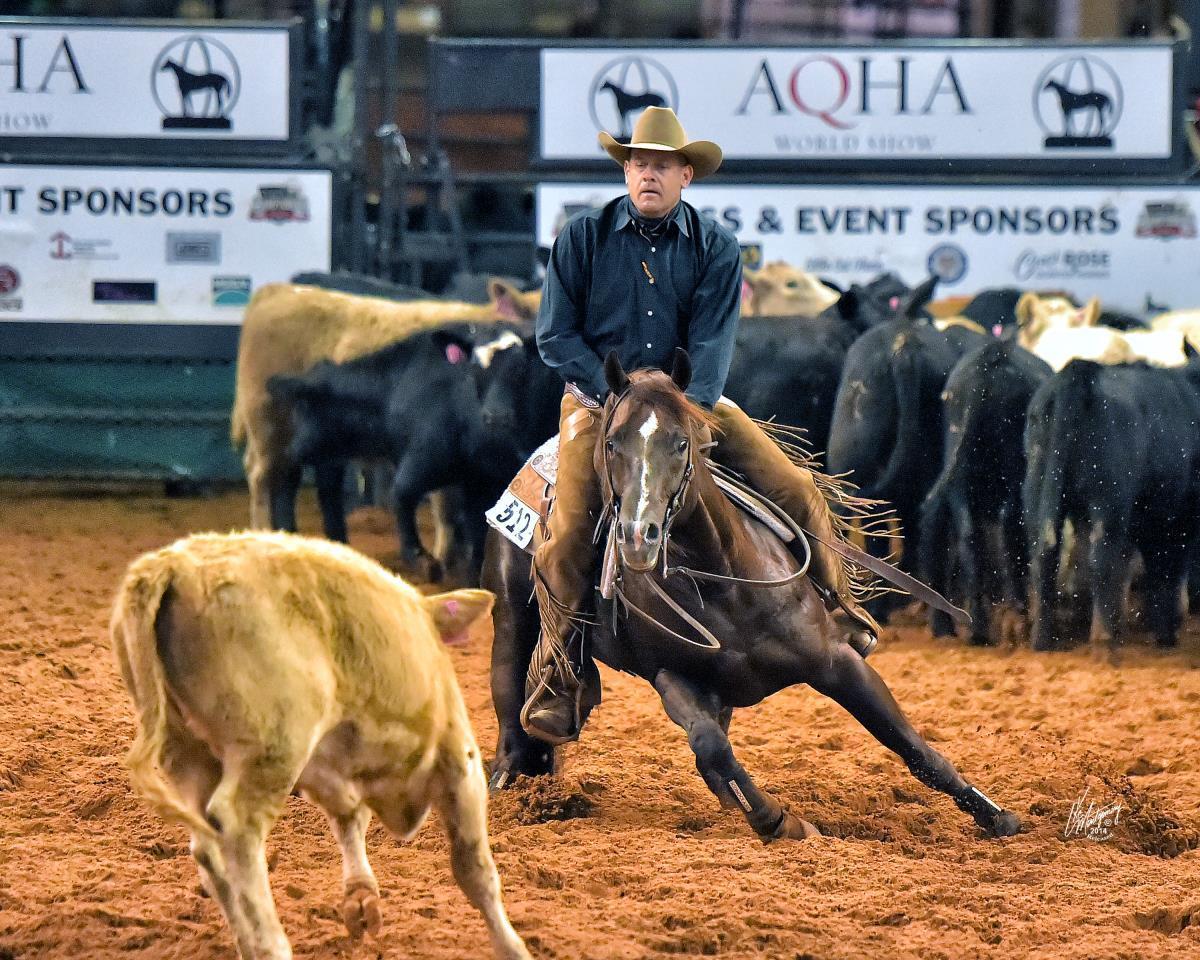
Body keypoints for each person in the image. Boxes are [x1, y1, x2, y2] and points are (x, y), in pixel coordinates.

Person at [522, 107, 879, 745]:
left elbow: (713, 346)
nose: (648, 175)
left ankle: (837, 607)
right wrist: (616, 394)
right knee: (570, 529)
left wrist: (689, 407)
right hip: (598, 403)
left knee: (796, 487)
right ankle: (560, 670)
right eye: (638, 164)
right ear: (625, 171)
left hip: (688, 404)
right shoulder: (582, 238)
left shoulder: (715, 247)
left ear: (685, 175)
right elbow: (555, 336)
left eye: (661, 166)